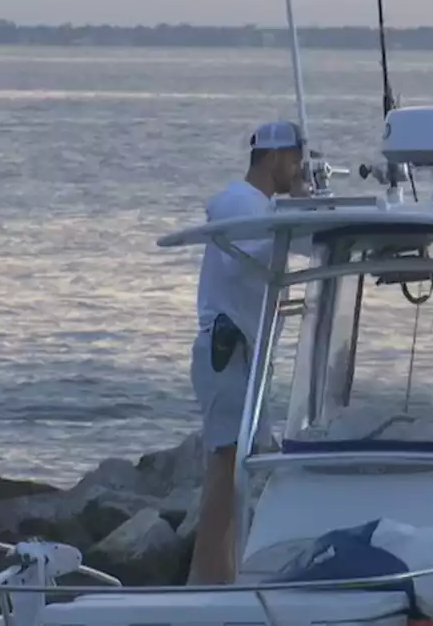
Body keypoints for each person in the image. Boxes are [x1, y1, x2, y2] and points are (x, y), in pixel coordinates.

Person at [187, 120, 312, 585]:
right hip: (228, 350)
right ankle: (207, 581)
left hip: (244, 355)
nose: (298, 168)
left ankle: (221, 574)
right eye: (295, 159)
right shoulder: (241, 203)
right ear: (275, 157)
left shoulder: (260, 208)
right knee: (226, 466)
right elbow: (259, 246)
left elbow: (301, 243)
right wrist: (301, 202)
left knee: (236, 467)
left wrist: (304, 207)